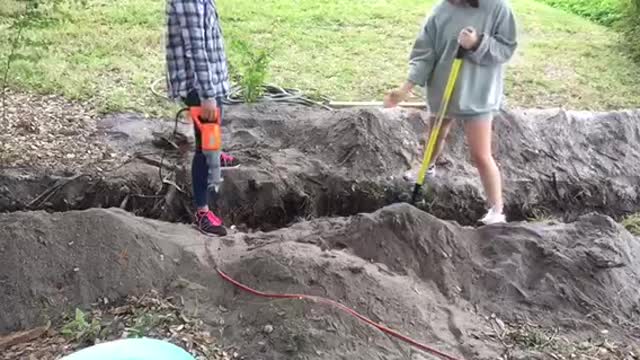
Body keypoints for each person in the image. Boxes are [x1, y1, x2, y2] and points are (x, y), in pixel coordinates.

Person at [384, 0, 518, 225]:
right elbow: (424, 54)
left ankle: (497, 210)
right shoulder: (441, 11)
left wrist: (477, 43)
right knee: (435, 135)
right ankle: (427, 167)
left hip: (477, 94)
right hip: (442, 89)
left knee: (480, 154)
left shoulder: (498, 8)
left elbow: (506, 48)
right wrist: (404, 89)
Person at [166, 0, 239, 236]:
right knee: (205, 148)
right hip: (199, 87)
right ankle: (202, 211)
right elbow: (196, 51)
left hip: (210, 83)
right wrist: (207, 96)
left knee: (212, 139)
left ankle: (216, 154)